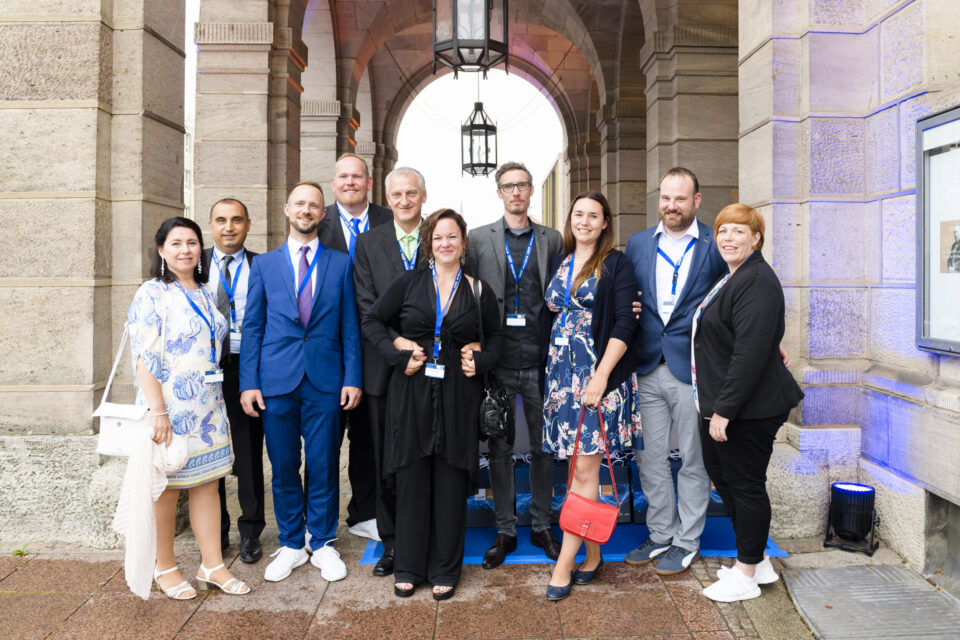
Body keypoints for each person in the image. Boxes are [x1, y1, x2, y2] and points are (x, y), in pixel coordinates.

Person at [362, 208, 503, 601]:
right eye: (438, 237)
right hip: (411, 391)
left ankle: (445, 568)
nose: (445, 243)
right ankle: (407, 566)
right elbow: (372, 322)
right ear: (429, 243)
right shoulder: (407, 284)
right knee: (411, 478)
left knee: (449, 480)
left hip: (459, 393)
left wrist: (480, 358)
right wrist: (397, 350)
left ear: (463, 243)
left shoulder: (477, 290)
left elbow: (497, 340)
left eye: (452, 237)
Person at [239, 181, 362, 583]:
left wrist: (353, 377)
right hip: (275, 382)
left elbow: (350, 328)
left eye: (314, 205)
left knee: (325, 463)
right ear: (287, 210)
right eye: (300, 204)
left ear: (322, 214)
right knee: (285, 464)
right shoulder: (265, 266)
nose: (306, 210)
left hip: (326, 381)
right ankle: (292, 542)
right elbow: (252, 327)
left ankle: (323, 542)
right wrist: (248, 383)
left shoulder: (341, 264)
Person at [128, 216, 249, 598]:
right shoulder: (152, 293)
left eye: (192, 243)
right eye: (176, 243)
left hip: (208, 407)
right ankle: (164, 566)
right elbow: (144, 357)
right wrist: (158, 411)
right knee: (165, 489)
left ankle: (212, 564)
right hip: (169, 409)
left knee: (207, 485)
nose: (186, 250)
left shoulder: (205, 291)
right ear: (162, 250)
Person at [693, 204, 804, 602]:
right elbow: (748, 335)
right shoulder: (735, 276)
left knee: (745, 486)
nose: (728, 238)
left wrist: (725, 410)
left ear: (756, 238)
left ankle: (745, 574)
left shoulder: (756, 279)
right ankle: (757, 561)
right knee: (728, 481)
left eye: (739, 231)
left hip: (748, 408)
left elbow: (749, 353)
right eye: (723, 230)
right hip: (727, 401)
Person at [622, 167, 727, 576]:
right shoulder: (637, 245)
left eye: (680, 199)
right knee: (650, 458)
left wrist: (771, 342)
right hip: (647, 365)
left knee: (692, 460)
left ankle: (687, 541)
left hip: (693, 369)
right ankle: (661, 533)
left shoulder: (714, 246)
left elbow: (736, 296)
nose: (671, 206)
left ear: (696, 201)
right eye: (666, 198)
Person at [542, 192, 642, 600]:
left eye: (593, 215)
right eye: (578, 214)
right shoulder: (561, 261)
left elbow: (624, 323)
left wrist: (600, 377)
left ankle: (564, 565)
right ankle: (594, 555)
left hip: (595, 378)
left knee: (584, 472)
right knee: (577, 473)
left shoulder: (615, 264)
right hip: (560, 379)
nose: (584, 221)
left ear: (605, 223)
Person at [466, 161, 564, 569]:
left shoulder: (552, 239)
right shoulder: (477, 239)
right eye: (509, 186)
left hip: (542, 359)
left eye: (523, 185)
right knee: (501, 448)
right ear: (499, 192)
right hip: (499, 362)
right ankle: (505, 530)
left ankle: (542, 525)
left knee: (544, 448)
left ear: (530, 191)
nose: (517, 192)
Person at [352, 166, 428, 577]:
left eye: (411, 193)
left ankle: (426, 537)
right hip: (385, 367)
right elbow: (367, 305)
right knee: (387, 460)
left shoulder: (441, 234)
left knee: (427, 455)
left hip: (433, 367)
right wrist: (400, 345)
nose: (404, 200)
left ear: (423, 196)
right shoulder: (368, 243)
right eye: (396, 194)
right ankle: (393, 543)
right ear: (386, 196)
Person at [318, 152, 393, 542]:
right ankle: (322, 524)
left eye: (357, 176)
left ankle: (366, 512)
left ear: (369, 182)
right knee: (328, 440)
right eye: (343, 177)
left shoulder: (389, 220)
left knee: (369, 436)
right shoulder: (316, 222)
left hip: (379, 349)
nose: (350, 182)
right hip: (330, 350)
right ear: (334, 184)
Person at [202, 198, 265, 565]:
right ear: (211, 225)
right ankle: (217, 530)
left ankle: (250, 531)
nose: (229, 227)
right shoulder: (194, 266)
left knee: (248, 450)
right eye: (221, 220)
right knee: (210, 452)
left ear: (248, 224)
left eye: (236, 220)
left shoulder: (263, 266)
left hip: (248, 367)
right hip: (206, 369)